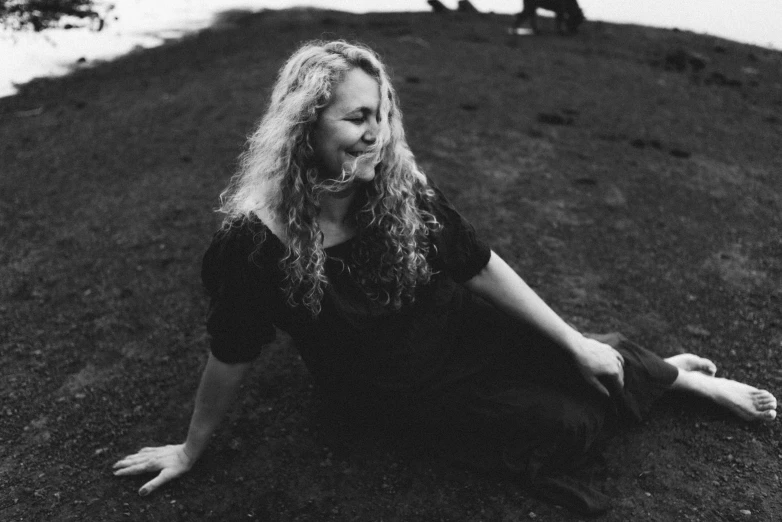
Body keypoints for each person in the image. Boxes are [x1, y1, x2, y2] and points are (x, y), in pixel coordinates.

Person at [113, 40, 777, 514]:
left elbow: (476, 263)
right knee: (569, 426)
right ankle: (657, 372)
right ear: (304, 126)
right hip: (392, 385)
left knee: (585, 359)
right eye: (356, 118)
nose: (377, 134)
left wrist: (572, 341)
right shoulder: (253, 245)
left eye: (381, 114)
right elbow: (230, 352)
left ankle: (679, 379)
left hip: (459, 327)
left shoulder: (396, 189)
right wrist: (192, 448)